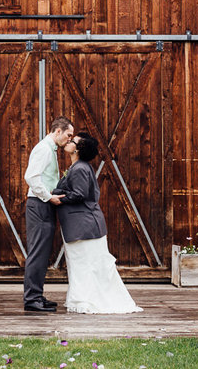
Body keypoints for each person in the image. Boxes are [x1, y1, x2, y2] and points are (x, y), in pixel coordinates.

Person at [52, 132, 141, 314]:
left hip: (85, 227)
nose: (69, 141)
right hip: (81, 226)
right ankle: (82, 299)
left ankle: (89, 301)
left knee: (87, 265)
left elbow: (80, 193)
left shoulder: (80, 169)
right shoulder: (80, 167)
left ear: (78, 148)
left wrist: (58, 199)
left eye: (73, 140)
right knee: (83, 265)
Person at [23, 116, 74, 312]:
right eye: (68, 135)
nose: (69, 140)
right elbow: (31, 176)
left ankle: (37, 295)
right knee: (37, 253)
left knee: (43, 253)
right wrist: (48, 197)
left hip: (44, 204)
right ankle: (32, 299)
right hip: (39, 205)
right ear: (58, 131)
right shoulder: (44, 149)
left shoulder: (49, 149)